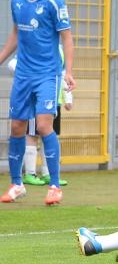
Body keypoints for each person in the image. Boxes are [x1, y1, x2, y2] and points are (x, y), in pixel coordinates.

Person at [0, 0, 75, 205]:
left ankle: (54, 185)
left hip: (47, 74)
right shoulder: (16, 2)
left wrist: (69, 71)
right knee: (16, 127)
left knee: (44, 126)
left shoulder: (54, 1)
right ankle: (16, 184)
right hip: (23, 74)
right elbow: (15, 35)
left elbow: (67, 38)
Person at [8, 45, 73, 186]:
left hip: (54, 101)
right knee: (32, 135)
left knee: (49, 135)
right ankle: (30, 173)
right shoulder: (31, 42)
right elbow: (13, 63)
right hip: (35, 100)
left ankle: (47, 174)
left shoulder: (60, 49)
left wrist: (68, 98)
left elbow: (62, 74)